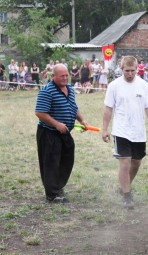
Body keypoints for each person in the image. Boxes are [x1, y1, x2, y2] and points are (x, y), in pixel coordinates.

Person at [102, 56, 148, 209]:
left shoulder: (143, 85)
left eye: (133, 71)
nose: (130, 74)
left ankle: (124, 187)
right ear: (122, 69)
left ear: (137, 69)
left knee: (136, 163)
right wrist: (105, 129)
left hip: (138, 131)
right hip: (121, 130)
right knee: (125, 162)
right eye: (127, 71)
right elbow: (108, 108)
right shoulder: (114, 86)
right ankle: (127, 196)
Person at [35, 64, 88, 203]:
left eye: (66, 75)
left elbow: (74, 107)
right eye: (61, 76)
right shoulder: (47, 91)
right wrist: (57, 124)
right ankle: (52, 195)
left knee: (67, 160)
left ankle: (58, 186)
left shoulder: (69, 88)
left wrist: (82, 120)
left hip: (65, 132)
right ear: (53, 76)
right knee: (51, 163)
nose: (65, 78)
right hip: (49, 132)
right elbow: (40, 112)